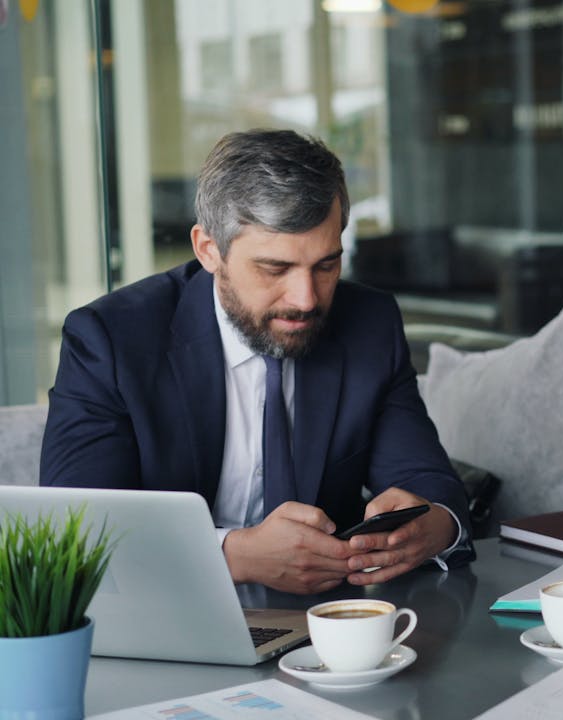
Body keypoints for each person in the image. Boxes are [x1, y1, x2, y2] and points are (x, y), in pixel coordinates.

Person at [41, 129, 473, 594]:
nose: (306, 299)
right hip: (165, 613)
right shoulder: (111, 340)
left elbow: (427, 482)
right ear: (209, 249)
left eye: (326, 265)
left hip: (325, 626)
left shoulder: (369, 325)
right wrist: (234, 555)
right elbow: (78, 531)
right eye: (275, 269)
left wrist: (435, 527)